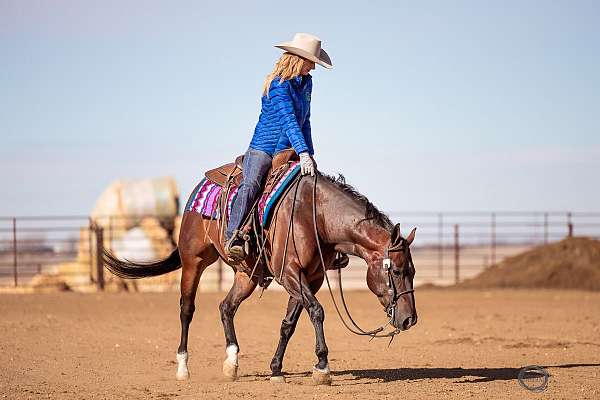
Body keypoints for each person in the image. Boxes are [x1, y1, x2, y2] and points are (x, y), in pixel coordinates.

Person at [225, 32, 333, 262]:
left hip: (289, 150)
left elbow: (306, 121)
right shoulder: (278, 85)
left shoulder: (306, 84)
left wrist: (309, 154)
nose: (313, 68)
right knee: (252, 184)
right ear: (298, 59)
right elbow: (289, 120)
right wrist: (302, 152)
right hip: (263, 148)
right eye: (311, 62)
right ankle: (233, 235)